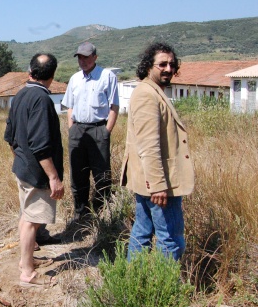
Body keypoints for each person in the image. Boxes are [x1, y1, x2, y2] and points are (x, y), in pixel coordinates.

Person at [120, 43, 195, 260]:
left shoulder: (152, 91)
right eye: (162, 64)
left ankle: (135, 283)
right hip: (159, 182)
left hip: (149, 181)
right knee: (170, 239)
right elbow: (148, 145)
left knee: (142, 232)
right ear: (148, 66)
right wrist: (158, 185)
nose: (168, 69)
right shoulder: (147, 95)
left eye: (172, 64)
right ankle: (165, 289)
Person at [4, 53, 64, 287]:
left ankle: (24, 261)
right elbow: (40, 145)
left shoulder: (20, 95)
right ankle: (27, 273)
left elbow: (10, 137)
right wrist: (53, 177)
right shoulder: (41, 99)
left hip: (23, 168)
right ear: (52, 75)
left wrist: (21, 160)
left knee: (26, 216)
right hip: (36, 173)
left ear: (30, 71)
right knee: (31, 220)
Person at [61, 42, 119, 221]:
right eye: (80, 57)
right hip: (77, 129)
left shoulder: (107, 76)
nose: (83, 61)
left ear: (95, 57)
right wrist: (72, 128)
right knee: (77, 172)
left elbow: (114, 106)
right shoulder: (75, 79)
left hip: (98, 129)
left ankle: (101, 212)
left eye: (86, 57)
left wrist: (106, 131)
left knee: (101, 173)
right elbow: (69, 106)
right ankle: (80, 212)